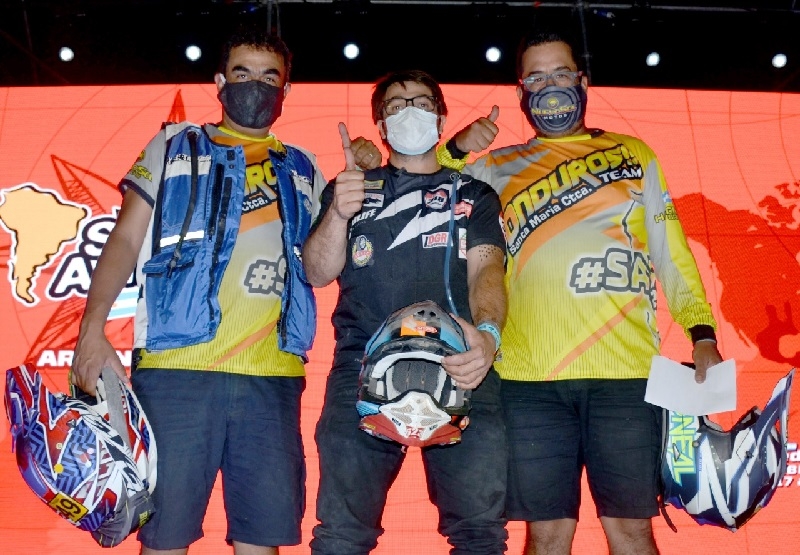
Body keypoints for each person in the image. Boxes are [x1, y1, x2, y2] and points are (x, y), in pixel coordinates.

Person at [70, 22, 380, 555]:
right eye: (242, 73)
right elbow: (124, 239)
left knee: (262, 541)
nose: (255, 86)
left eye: (269, 77)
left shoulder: (302, 166)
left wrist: (349, 199)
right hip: (175, 371)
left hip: (273, 378)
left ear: (286, 90)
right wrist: (91, 328)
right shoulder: (173, 145)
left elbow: (318, 269)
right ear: (219, 82)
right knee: (164, 539)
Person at [437, 26, 725, 555]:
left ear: (583, 81)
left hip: (626, 376)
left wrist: (702, 333)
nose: (550, 86)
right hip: (529, 381)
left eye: (561, 73)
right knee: (546, 537)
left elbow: (672, 253)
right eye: (536, 77)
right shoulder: (496, 167)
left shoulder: (634, 154)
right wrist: (457, 148)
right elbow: (427, 187)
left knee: (632, 533)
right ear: (520, 91)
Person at [304, 69, 509, 554]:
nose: (409, 112)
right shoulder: (352, 187)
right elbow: (316, 271)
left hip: (463, 367)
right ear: (380, 125)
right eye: (396, 107)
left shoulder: (473, 194)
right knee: (341, 536)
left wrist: (487, 335)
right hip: (362, 370)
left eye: (421, 103)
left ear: (441, 118)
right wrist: (338, 212)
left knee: (480, 535)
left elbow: (487, 269)